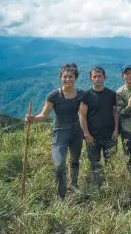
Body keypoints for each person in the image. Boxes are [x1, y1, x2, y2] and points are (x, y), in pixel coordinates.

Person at [25, 63, 84, 200]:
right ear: (60, 78)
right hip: (60, 133)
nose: (67, 79)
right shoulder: (54, 96)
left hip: (76, 132)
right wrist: (33, 119)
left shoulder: (81, 94)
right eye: (65, 77)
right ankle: (61, 193)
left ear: (75, 78)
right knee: (59, 164)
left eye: (71, 77)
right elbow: (43, 116)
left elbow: (85, 115)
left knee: (74, 160)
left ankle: (74, 185)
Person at [79, 67, 118, 193]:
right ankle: (98, 186)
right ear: (90, 79)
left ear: (105, 78)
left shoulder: (112, 94)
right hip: (92, 137)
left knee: (111, 162)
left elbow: (116, 113)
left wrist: (116, 130)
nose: (97, 79)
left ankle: (112, 185)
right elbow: (82, 116)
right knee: (94, 163)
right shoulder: (87, 96)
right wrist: (86, 134)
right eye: (94, 77)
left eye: (100, 76)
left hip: (109, 136)